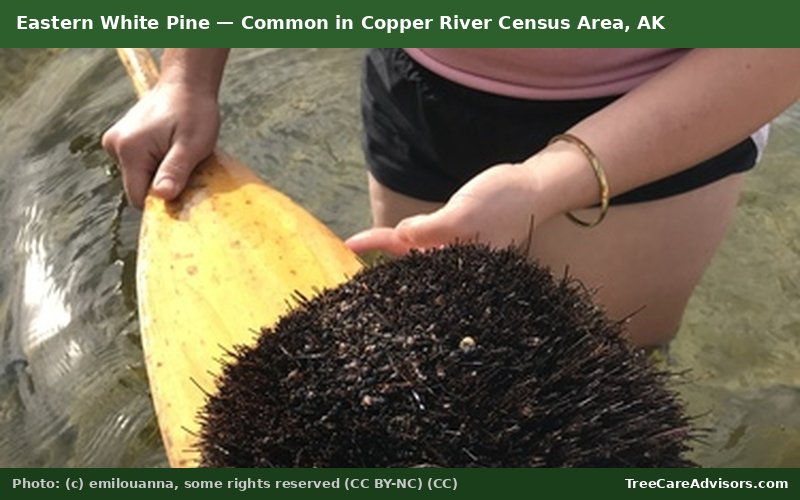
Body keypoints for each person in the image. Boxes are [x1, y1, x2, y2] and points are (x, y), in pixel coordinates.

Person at [102, 48, 800, 347]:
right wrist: (187, 78)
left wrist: (544, 182)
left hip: (656, 107)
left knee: (600, 371)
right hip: (419, 81)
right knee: (422, 350)